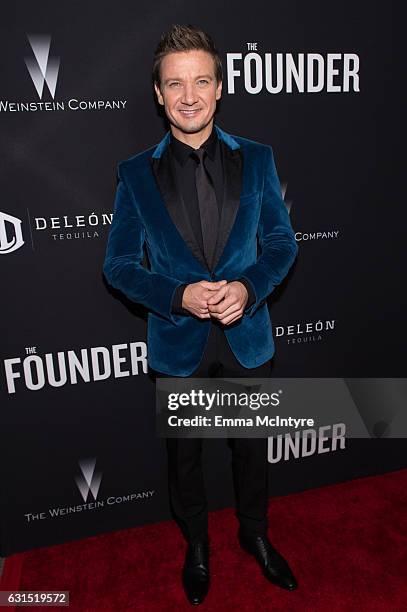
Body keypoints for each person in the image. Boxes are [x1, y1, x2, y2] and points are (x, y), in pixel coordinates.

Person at [103, 24, 299, 606]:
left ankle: (255, 534)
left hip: (246, 340)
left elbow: (283, 244)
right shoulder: (135, 174)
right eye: (175, 84)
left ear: (219, 88)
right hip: (179, 346)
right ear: (159, 95)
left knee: (251, 451)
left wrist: (249, 286)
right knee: (184, 460)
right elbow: (117, 265)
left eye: (201, 82)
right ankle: (196, 545)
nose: (189, 95)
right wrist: (176, 296)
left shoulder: (258, 159)